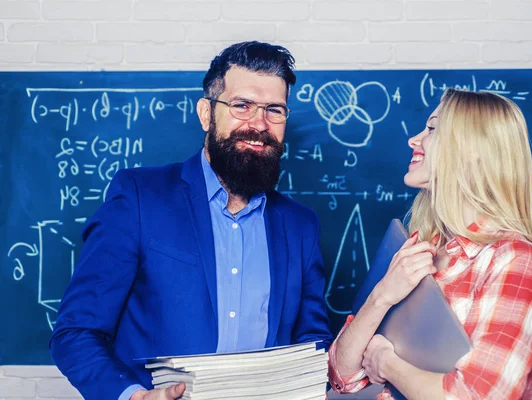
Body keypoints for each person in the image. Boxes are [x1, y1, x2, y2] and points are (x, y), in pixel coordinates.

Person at [50, 41, 332, 400]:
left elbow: (312, 343)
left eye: (274, 110)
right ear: (206, 113)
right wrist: (131, 395)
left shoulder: (300, 226)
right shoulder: (138, 197)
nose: (259, 124)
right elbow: (76, 333)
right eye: (242, 105)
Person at [328, 88, 532, 400]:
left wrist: (386, 363)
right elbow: (342, 377)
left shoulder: (515, 260)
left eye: (432, 129)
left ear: (473, 149)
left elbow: (477, 396)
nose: (414, 139)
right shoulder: (416, 248)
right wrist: (382, 296)